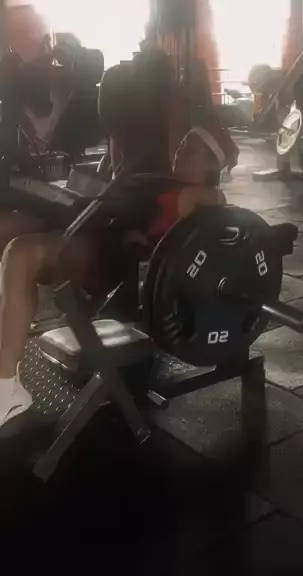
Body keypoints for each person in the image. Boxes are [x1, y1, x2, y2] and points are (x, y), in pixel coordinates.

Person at [0, 121, 233, 429]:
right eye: (181, 144)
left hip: (114, 259)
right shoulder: (164, 181)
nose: (179, 151)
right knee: (5, 226)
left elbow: (215, 215)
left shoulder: (202, 195)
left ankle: (6, 390)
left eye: (191, 149)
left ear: (212, 164)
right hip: (98, 227)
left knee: (21, 253)